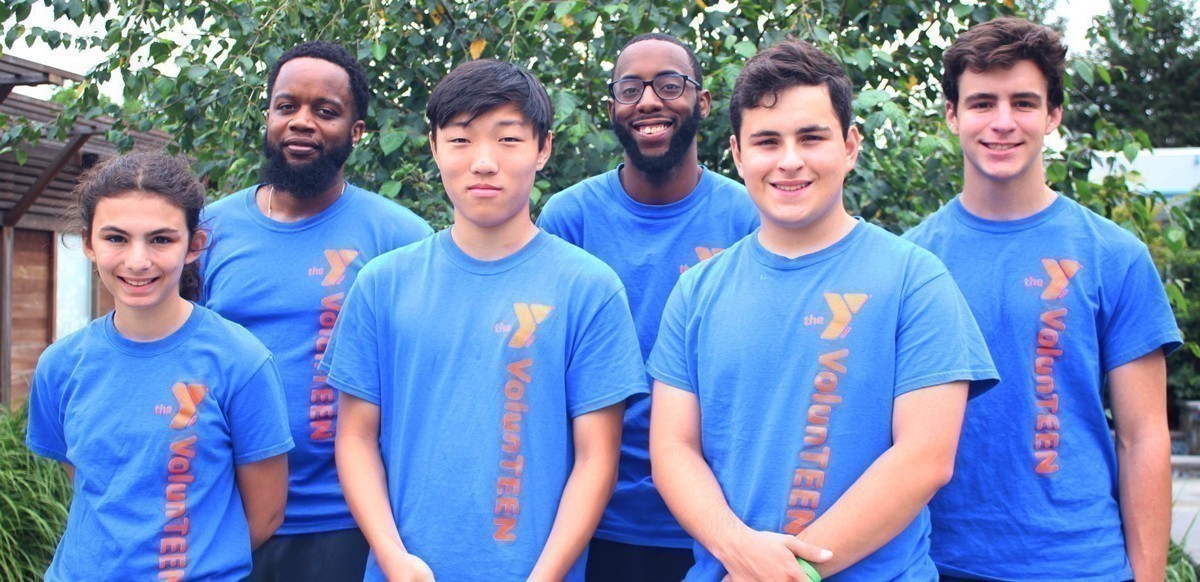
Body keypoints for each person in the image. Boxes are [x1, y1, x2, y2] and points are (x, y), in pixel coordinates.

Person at [648, 39, 999, 580]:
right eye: (767, 141)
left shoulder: (914, 278)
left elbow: (925, 458)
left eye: (811, 137)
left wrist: (789, 573)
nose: (790, 160)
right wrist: (740, 552)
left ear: (850, 146)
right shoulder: (696, 291)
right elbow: (673, 448)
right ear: (738, 155)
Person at [325, 59, 647, 581]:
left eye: (508, 139)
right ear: (434, 147)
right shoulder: (382, 284)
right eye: (460, 140)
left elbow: (597, 458)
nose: (483, 162)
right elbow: (356, 438)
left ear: (543, 148)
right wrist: (391, 557)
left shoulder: (589, 288)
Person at [903, 17, 1182, 581]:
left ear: (1053, 114)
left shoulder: (1114, 256)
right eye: (982, 103)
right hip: (937, 560)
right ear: (952, 115)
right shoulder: (910, 262)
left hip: (1079, 562)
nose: (1003, 122)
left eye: (1024, 103)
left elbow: (1143, 437)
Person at [200, 41, 432, 581]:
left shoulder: (400, 237)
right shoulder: (208, 232)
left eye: (325, 111)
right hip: (226, 513)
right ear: (268, 116)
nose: (301, 121)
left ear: (356, 131)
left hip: (347, 520)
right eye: (287, 106)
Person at [537, 33, 758, 581]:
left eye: (669, 85)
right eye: (630, 89)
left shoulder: (748, 218)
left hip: (721, 517)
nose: (649, 101)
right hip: (592, 515)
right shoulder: (569, 218)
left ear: (703, 102)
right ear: (612, 107)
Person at [25, 152, 293, 580]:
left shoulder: (242, 362)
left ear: (194, 245)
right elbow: (94, 482)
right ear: (88, 243)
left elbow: (266, 513)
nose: (137, 261)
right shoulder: (60, 366)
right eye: (116, 238)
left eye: (161, 240)